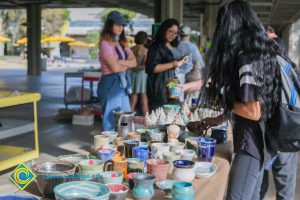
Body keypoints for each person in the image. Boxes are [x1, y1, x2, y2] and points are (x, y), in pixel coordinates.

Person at [189, 1, 283, 199]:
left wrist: (222, 101)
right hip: (261, 144)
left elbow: (252, 110)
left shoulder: (246, 59)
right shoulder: (259, 52)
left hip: (250, 147)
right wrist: (215, 120)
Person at [260, 25, 299, 200]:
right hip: (287, 133)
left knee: (260, 185)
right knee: (284, 187)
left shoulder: (264, 66)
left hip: (268, 133)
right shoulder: (291, 68)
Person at [97, 10, 137, 131]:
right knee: (110, 120)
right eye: (118, 24)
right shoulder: (105, 44)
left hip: (122, 84)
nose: (121, 27)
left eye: (122, 25)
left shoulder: (122, 43)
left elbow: (134, 62)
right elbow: (114, 68)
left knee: (125, 119)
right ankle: (107, 149)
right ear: (110, 25)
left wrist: (120, 62)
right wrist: (126, 64)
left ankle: (123, 146)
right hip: (110, 84)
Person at [145, 18, 187, 111]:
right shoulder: (157, 46)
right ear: (164, 29)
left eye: (176, 33)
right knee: (161, 114)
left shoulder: (172, 45)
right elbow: (151, 68)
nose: (173, 35)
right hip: (160, 86)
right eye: (170, 31)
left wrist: (180, 60)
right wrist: (173, 64)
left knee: (174, 112)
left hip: (172, 84)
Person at [130, 31, 149, 115]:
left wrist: (134, 67)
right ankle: (147, 118)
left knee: (133, 96)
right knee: (143, 97)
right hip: (142, 75)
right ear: (145, 40)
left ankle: (129, 117)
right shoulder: (145, 50)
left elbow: (129, 64)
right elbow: (145, 65)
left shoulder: (131, 49)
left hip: (132, 73)